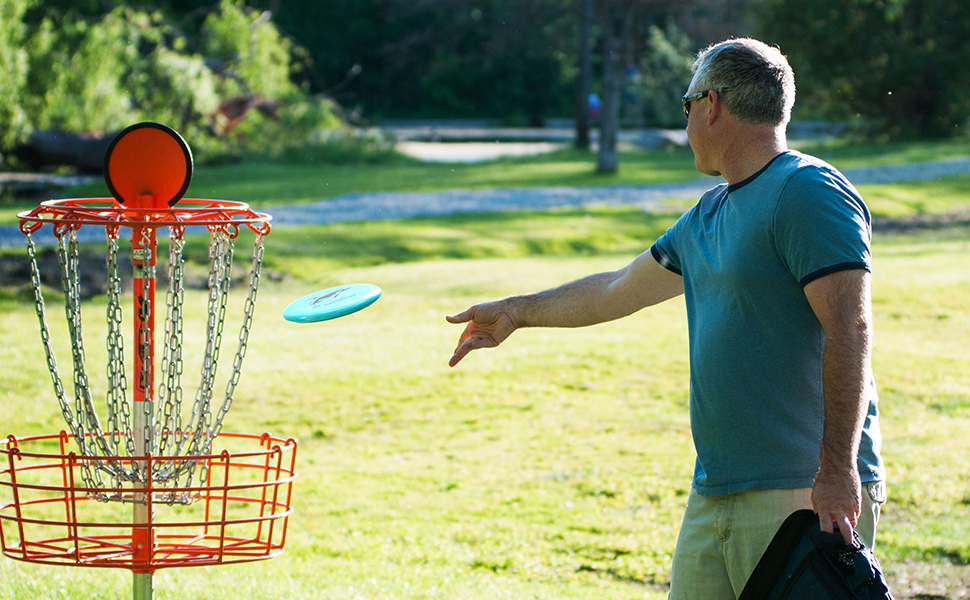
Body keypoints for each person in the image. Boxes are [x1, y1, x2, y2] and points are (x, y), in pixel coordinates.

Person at [446, 38, 886, 599]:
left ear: (713, 104)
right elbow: (615, 289)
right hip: (717, 490)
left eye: (686, 105)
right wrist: (513, 312)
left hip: (800, 491)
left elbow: (849, 329)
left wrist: (837, 470)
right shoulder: (709, 212)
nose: (685, 124)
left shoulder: (807, 191)